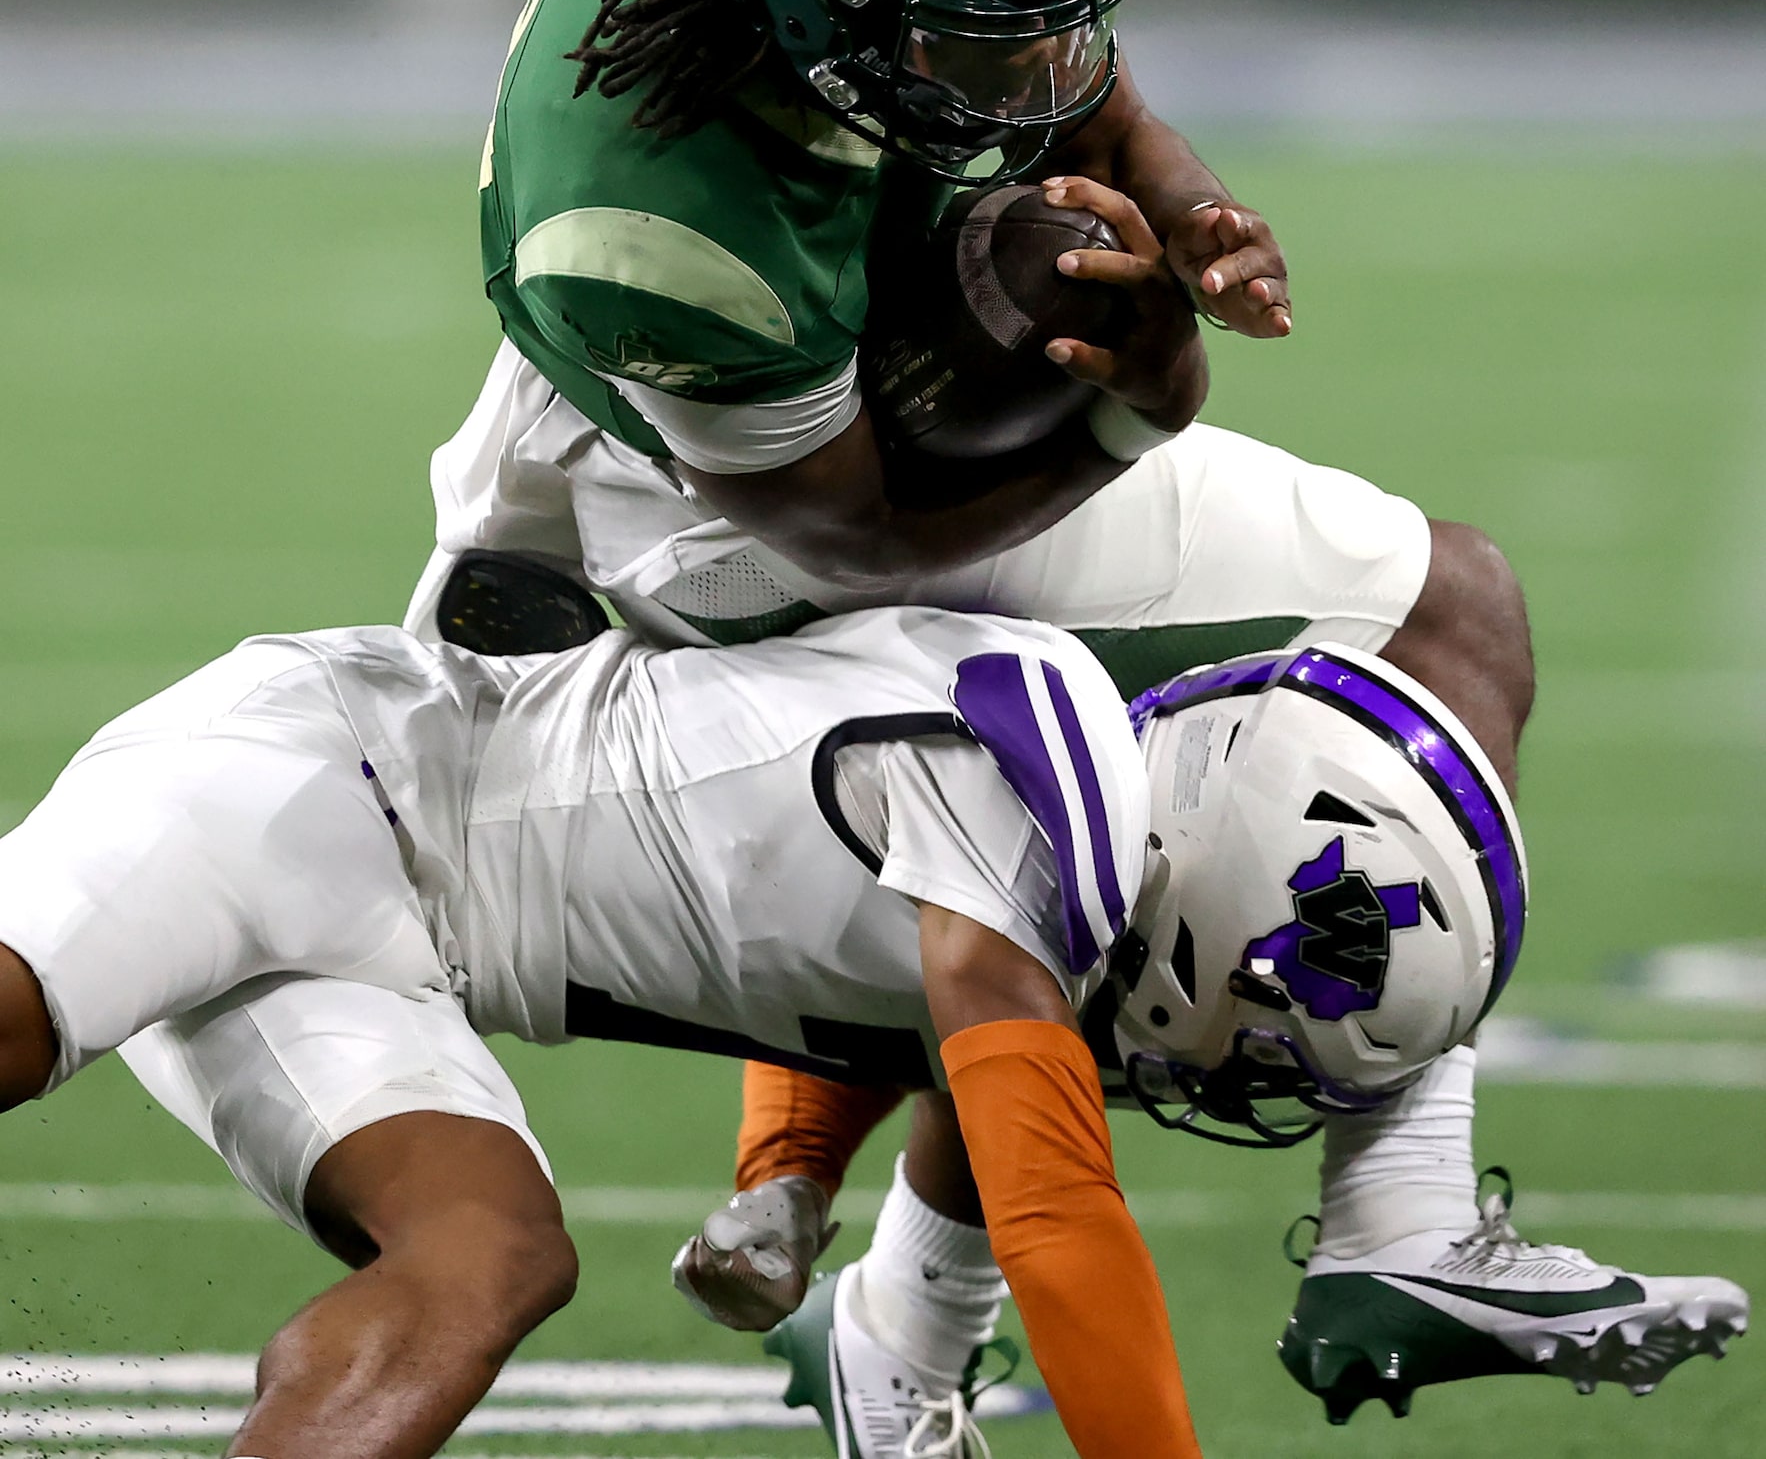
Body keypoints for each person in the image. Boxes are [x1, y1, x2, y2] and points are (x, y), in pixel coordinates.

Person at [395, 0, 1620, 1423]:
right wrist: (1141, 403)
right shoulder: (652, 221)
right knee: (1078, 832)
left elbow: (1036, 35)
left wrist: (1171, 180)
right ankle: (905, 1305)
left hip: (805, 378)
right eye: (982, 47)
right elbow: (850, 537)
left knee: (1449, 613)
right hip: (687, 509)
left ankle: (1368, 1225)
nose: (1042, 77)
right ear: (814, 11)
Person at [0, 605, 1620, 1459]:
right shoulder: (1033, 782)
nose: (1239, 1070)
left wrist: (786, 1171)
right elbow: (1055, 1212)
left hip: (404, 957)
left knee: (492, 1261)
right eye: (1273, 1040)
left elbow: (838, 958)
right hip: (305, 778)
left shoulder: (1043, 881)